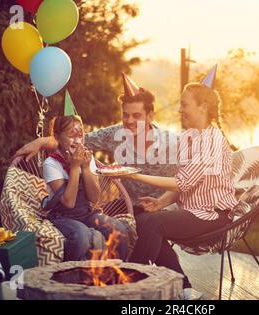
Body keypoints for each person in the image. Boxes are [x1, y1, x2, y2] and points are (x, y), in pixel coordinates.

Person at [120, 66, 239, 300]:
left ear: (202, 107)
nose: (180, 109)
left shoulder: (212, 140)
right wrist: (160, 202)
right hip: (192, 212)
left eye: (185, 104)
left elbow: (183, 183)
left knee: (153, 224)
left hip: (213, 215)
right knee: (143, 217)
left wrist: (134, 174)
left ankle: (130, 287)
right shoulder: (187, 138)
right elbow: (184, 185)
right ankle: (185, 288)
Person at [14, 73, 177, 212]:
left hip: (161, 206)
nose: (129, 120)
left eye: (136, 115)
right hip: (127, 205)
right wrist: (41, 142)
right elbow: (75, 140)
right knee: (108, 224)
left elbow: (181, 185)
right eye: (125, 115)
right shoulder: (115, 134)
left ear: (150, 115)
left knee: (142, 228)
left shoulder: (169, 143)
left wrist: (160, 203)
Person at [42, 114, 129, 261]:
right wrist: (75, 168)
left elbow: (95, 198)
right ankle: (71, 274)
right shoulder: (51, 164)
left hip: (86, 213)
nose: (77, 141)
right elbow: (68, 203)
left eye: (80, 136)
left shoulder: (86, 160)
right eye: (71, 136)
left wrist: (86, 168)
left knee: (118, 229)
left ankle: (116, 272)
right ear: (56, 137)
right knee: (80, 236)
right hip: (62, 217)